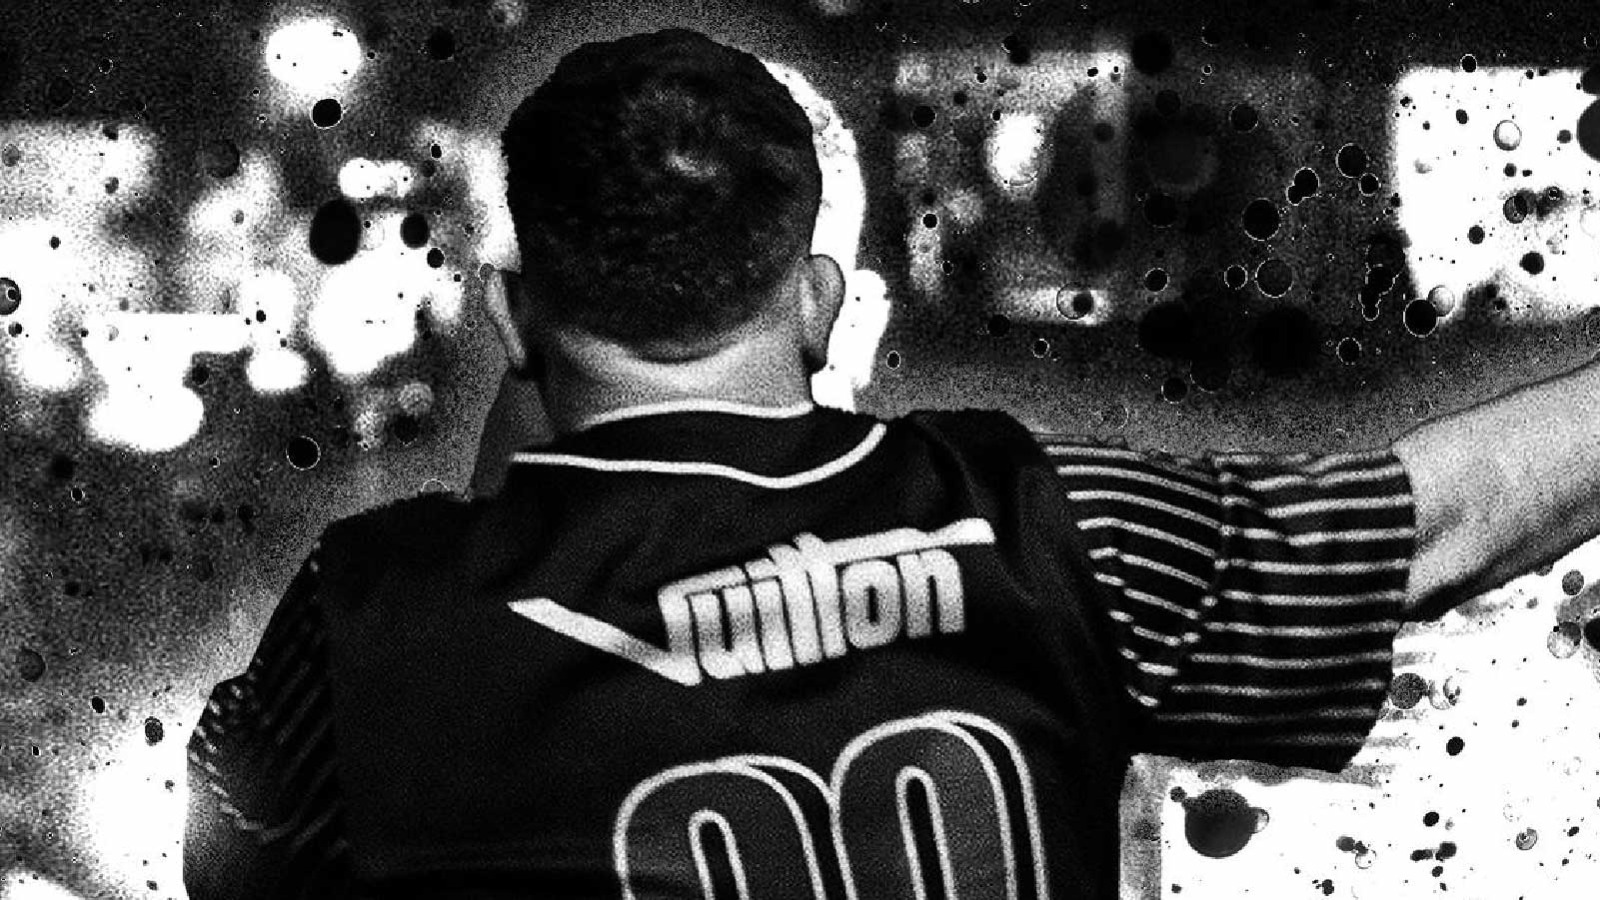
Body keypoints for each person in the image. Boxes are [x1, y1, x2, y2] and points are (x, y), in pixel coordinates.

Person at [184, 27, 1597, 900]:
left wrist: (510, 500)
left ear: (510, 316)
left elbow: (231, 864)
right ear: (815, 299)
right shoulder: (1048, 529)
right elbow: (1453, 515)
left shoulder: (367, 621)